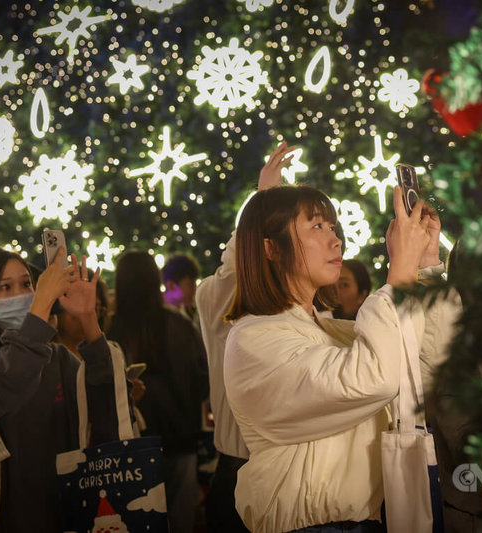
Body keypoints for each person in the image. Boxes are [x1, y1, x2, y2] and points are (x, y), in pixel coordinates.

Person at [223, 181, 436, 532]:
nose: (336, 240)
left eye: (333, 227)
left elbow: (421, 359)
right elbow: (372, 378)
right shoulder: (253, 340)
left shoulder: (331, 331)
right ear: (271, 249)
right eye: (317, 226)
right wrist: (399, 273)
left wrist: (424, 263)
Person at [0, 246, 114, 533]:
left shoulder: (55, 357)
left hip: (62, 511)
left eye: (27, 284)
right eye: (5, 287)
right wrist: (41, 305)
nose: (21, 295)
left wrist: (88, 319)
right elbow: (4, 386)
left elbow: (105, 405)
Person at [196, 141, 296, 533]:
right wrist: (264, 200)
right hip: (240, 468)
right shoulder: (217, 297)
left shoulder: (295, 304)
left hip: (290, 472)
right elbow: (233, 270)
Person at [107, 250, 209, 533]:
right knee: (180, 521)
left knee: (136, 522)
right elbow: (202, 380)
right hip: (181, 439)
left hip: (130, 446)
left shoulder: (110, 330)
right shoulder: (180, 326)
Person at [162, 253, 201, 327]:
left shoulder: (188, 314)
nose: (195, 291)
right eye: (190, 285)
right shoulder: (159, 317)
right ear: (171, 286)